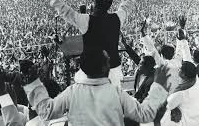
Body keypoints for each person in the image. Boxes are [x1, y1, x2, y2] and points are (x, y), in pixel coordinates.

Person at [20, 49, 170, 126]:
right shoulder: (116, 93)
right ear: (104, 67)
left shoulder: (72, 92)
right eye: (107, 60)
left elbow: (46, 111)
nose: (110, 61)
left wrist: (34, 83)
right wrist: (159, 85)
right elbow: (145, 114)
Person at [45, 0, 135, 87]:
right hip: (113, 69)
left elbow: (65, 11)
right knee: (114, 101)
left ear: (95, 4)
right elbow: (128, 3)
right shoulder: (117, 18)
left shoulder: (86, 20)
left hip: (91, 73)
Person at [161, 61, 199, 126]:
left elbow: (163, 106)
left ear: (184, 74)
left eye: (179, 69)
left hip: (185, 122)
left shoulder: (180, 93)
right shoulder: (196, 81)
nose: (178, 70)